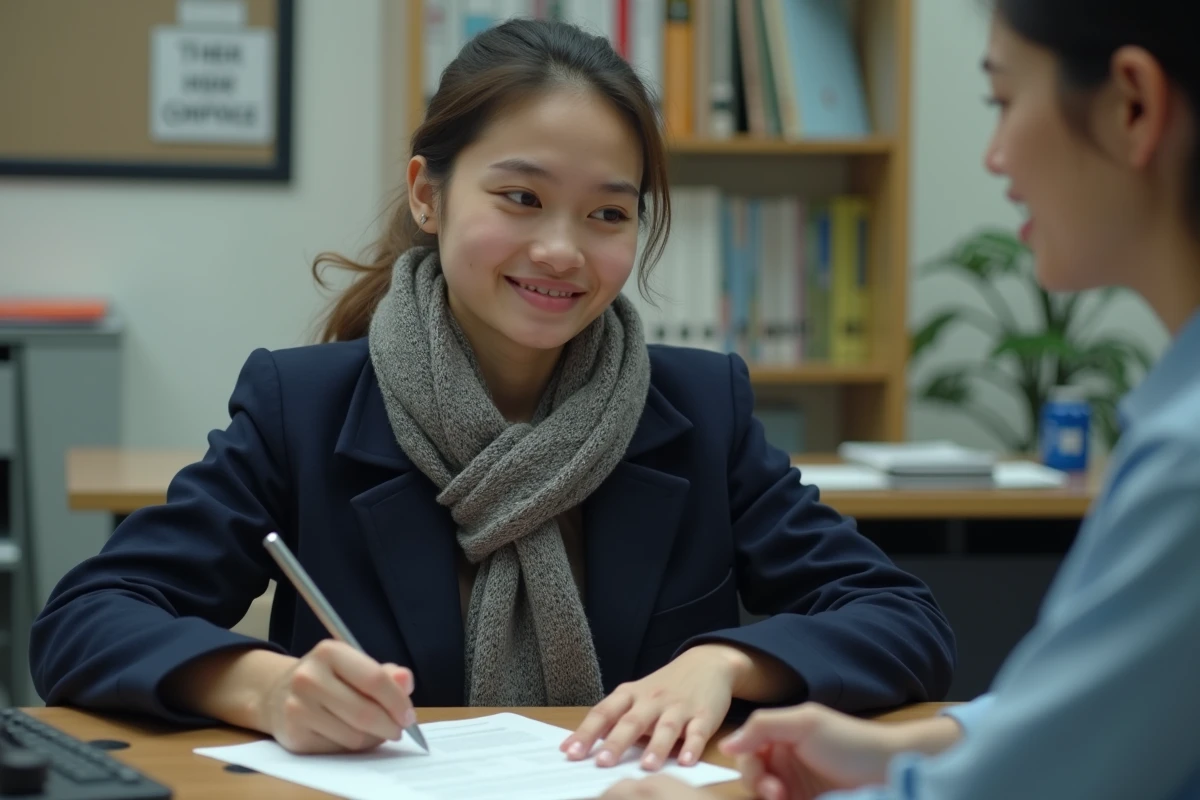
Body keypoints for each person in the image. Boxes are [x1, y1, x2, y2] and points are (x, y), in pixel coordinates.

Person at [28, 17, 955, 768]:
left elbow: (902, 621)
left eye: (608, 213)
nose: (561, 249)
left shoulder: (700, 409)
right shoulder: (301, 406)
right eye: (521, 197)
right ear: (427, 196)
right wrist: (263, 688)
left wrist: (726, 663)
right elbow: (85, 622)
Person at [601, 0, 1200, 798]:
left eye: (1002, 100)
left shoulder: (1187, 463)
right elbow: (1106, 714)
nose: (992, 155)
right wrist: (922, 746)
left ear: (1132, 106)